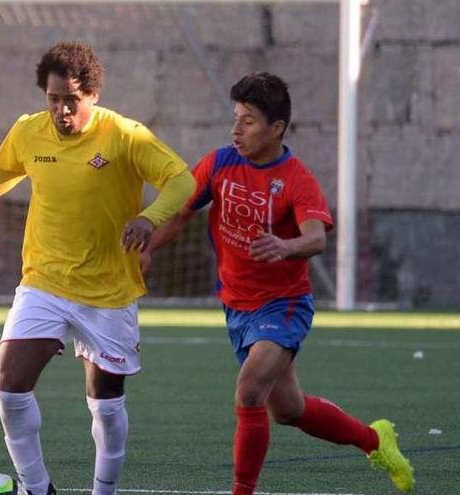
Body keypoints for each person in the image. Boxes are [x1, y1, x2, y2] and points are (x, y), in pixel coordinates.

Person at [0, 42, 195, 495]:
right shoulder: (30, 131)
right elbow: (2, 173)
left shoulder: (125, 135)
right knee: (9, 387)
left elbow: (182, 181)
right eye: (53, 99)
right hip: (43, 282)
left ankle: (102, 491)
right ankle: (37, 488)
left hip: (107, 291)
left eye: (71, 100)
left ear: (92, 95)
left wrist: (149, 218)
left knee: (105, 404)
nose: (61, 110)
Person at [140, 72, 415, 495]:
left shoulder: (297, 179)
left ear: (276, 128)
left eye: (248, 121)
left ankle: (242, 491)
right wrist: (148, 248)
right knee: (288, 410)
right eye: (235, 118)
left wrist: (286, 247)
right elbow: (180, 214)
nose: (236, 129)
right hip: (237, 306)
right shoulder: (219, 162)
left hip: (283, 305)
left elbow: (316, 237)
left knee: (249, 390)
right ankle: (375, 440)